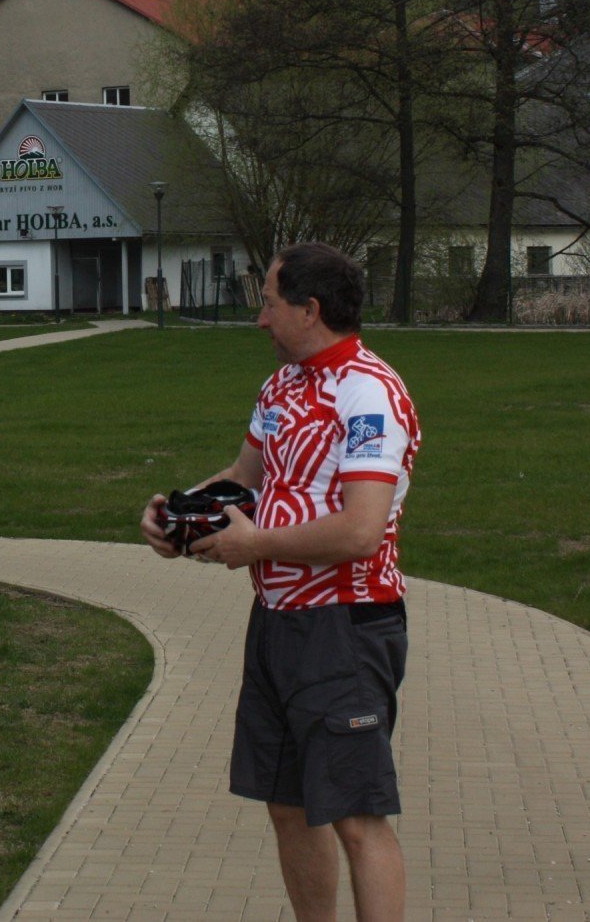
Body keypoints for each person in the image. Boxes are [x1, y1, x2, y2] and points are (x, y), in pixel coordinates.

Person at [140, 242, 419, 922]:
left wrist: (255, 544)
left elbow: (361, 530)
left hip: (345, 625)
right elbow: (243, 477)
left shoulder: (369, 393)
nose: (260, 318)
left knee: (358, 817)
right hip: (276, 621)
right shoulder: (282, 386)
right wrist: (178, 514)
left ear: (309, 309)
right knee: (288, 805)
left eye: (268, 303)